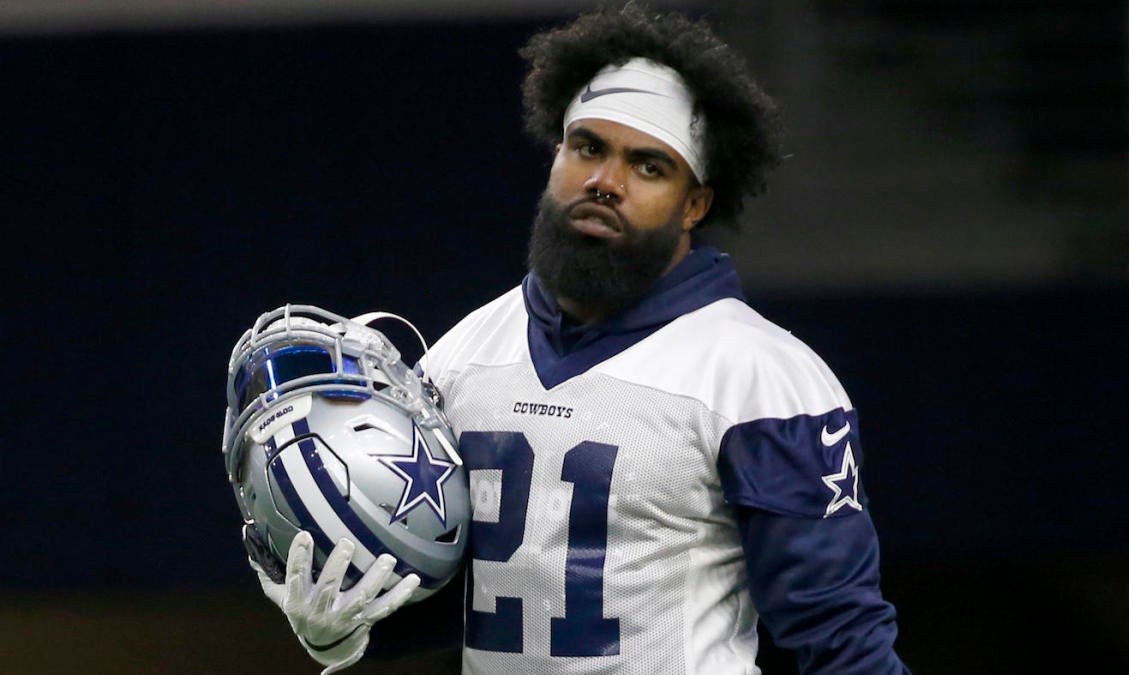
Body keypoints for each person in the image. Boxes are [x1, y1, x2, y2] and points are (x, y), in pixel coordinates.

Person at [254, 4, 910, 673]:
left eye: (648, 165)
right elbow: (474, 598)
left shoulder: (760, 379)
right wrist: (345, 630)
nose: (605, 181)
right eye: (587, 147)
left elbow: (840, 638)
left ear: (695, 204)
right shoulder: (461, 357)